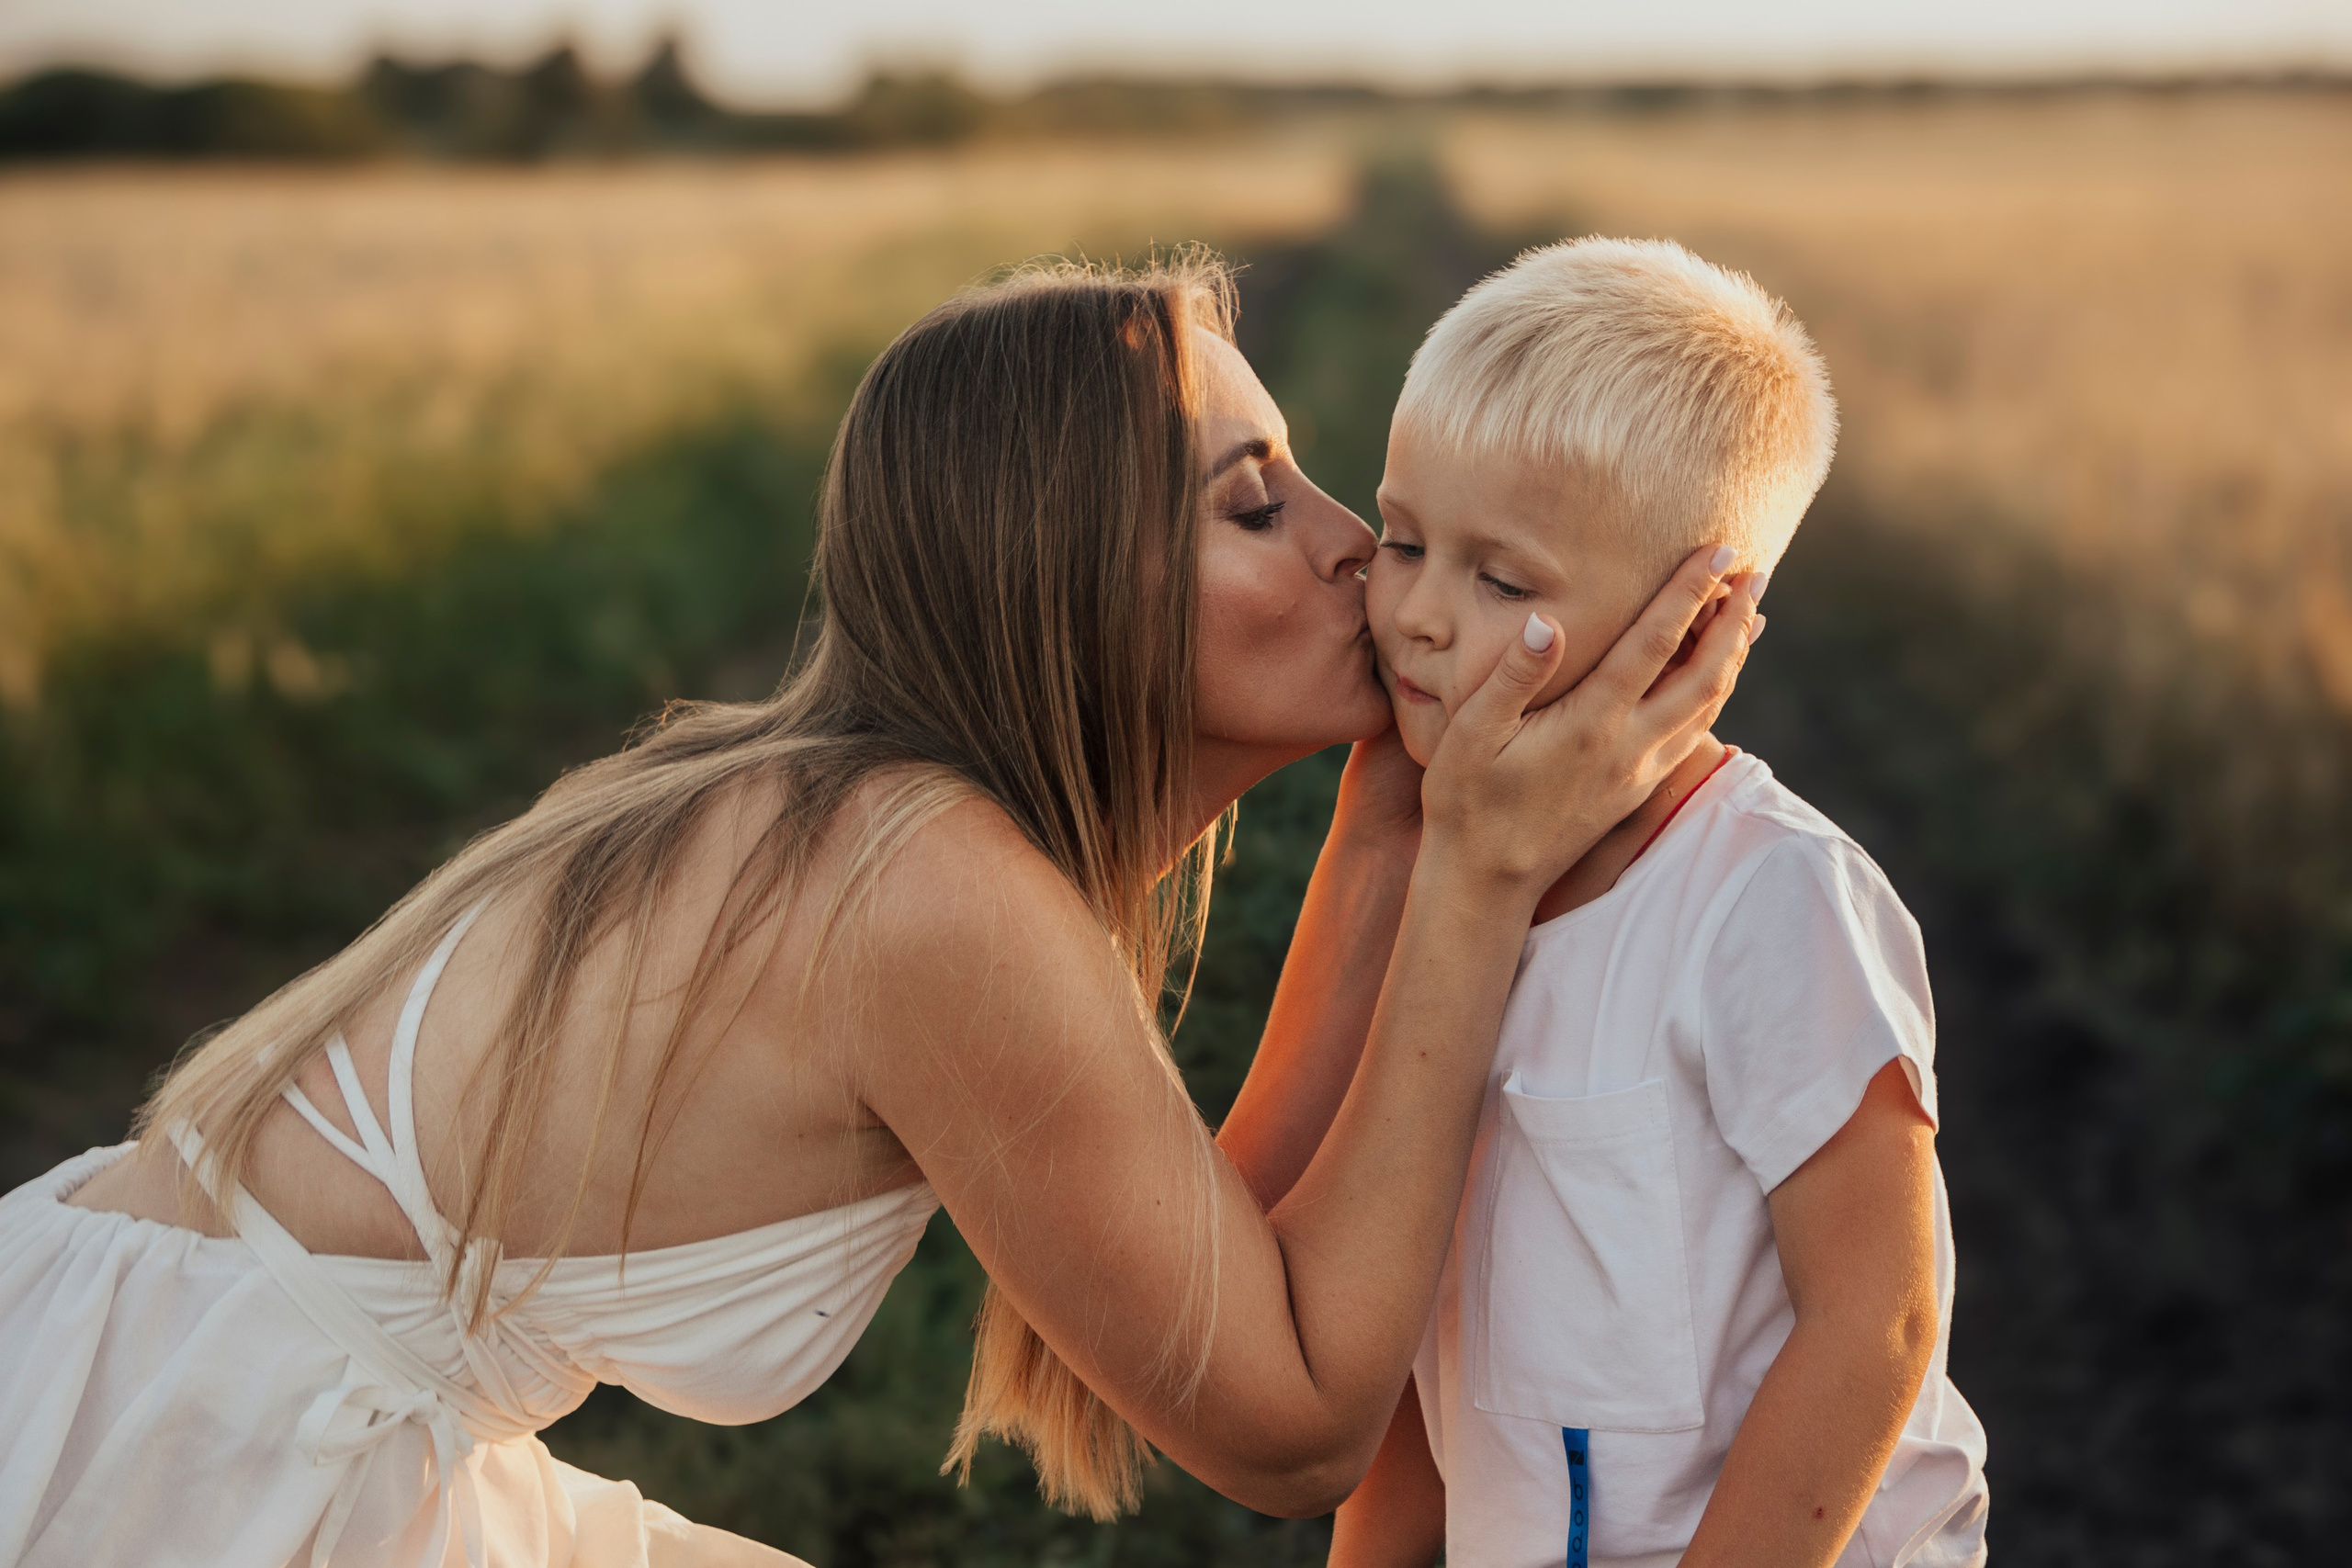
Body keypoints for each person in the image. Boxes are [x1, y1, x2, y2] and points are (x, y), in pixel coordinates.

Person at [0, 255, 1758, 1568]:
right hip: (194, 1472)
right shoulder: (915, 883)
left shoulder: (850, 816)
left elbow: (1220, 1270)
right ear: (1064, 572)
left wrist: (1398, 824)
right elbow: (1293, 1427)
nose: (1352, 544)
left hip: (153, 1360)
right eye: (1251, 503)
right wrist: (1480, 872)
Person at [1327, 239, 1989, 1568]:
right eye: (1402, 542)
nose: (1419, 616)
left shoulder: (1768, 897)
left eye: (1502, 580)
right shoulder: (1444, 881)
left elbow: (1880, 1319)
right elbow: (1411, 1342)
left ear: (1694, 627)